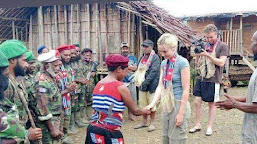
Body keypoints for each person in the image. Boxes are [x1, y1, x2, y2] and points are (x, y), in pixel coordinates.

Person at [85, 54, 150, 144]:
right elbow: (135, 111)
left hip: (93, 130)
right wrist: (145, 110)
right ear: (119, 69)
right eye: (126, 70)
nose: (126, 74)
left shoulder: (99, 84)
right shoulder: (121, 87)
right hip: (109, 132)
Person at [146, 33, 191, 143]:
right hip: (167, 104)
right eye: (160, 51)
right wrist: (152, 103)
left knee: (177, 138)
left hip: (178, 103)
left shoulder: (182, 63)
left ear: (174, 48)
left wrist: (181, 113)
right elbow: (161, 86)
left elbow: (186, 90)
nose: (162, 54)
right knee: (166, 138)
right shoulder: (164, 64)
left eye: (165, 51)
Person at [216, 31, 257, 143]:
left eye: (253, 42)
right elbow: (254, 97)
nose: (250, 46)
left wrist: (234, 104)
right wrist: (236, 100)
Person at [189, 24, 229, 136]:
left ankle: (209, 127)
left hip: (214, 78)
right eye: (207, 37)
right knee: (197, 101)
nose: (208, 39)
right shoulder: (203, 45)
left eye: (211, 37)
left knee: (212, 104)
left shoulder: (222, 46)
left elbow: (221, 63)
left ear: (216, 34)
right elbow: (197, 64)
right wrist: (198, 55)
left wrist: (207, 55)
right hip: (201, 76)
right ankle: (197, 124)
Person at [0, 40, 42, 142]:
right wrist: (25, 135)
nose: (27, 65)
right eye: (24, 61)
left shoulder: (18, 80)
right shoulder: (6, 86)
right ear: (12, 60)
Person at [134, 39, 160, 132]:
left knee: (151, 105)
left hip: (151, 85)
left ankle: (152, 123)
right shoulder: (142, 57)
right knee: (143, 104)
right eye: (143, 46)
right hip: (142, 85)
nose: (144, 48)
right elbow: (138, 69)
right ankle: (144, 122)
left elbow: (153, 72)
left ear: (151, 47)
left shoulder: (155, 58)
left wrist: (146, 82)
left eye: (146, 47)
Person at [56, 45, 78, 135]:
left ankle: (65, 132)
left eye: (69, 55)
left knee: (67, 114)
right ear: (60, 55)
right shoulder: (57, 68)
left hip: (68, 96)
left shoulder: (68, 66)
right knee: (60, 117)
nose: (68, 57)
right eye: (65, 55)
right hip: (59, 97)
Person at [70, 45, 88, 127]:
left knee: (80, 104)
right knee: (73, 106)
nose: (76, 54)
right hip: (74, 88)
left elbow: (84, 72)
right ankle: (72, 124)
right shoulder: (68, 64)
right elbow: (70, 76)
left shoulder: (80, 62)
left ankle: (79, 120)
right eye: (74, 52)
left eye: (78, 52)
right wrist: (80, 80)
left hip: (81, 87)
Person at [121, 42, 138, 121]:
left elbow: (135, 68)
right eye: (123, 48)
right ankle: (120, 116)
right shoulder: (119, 58)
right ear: (121, 49)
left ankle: (130, 115)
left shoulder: (133, 58)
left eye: (126, 48)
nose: (125, 50)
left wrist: (126, 67)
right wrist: (130, 68)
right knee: (121, 99)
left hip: (131, 80)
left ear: (129, 49)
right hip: (122, 81)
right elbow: (119, 69)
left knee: (131, 99)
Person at [81, 48, 98, 121]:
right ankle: (83, 117)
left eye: (90, 56)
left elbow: (95, 71)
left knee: (91, 101)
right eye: (87, 55)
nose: (88, 57)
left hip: (91, 86)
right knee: (83, 102)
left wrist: (94, 73)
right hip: (83, 86)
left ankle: (91, 115)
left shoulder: (92, 64)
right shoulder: (79, 64)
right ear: (83, 55)